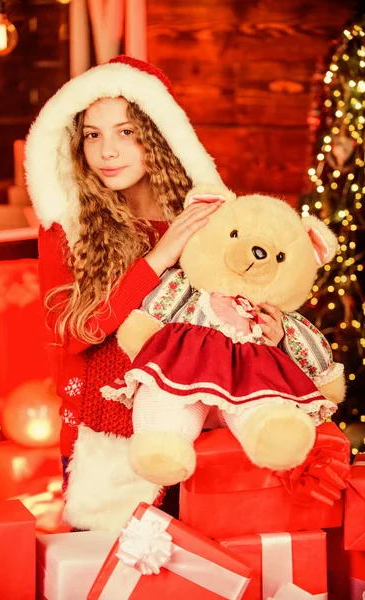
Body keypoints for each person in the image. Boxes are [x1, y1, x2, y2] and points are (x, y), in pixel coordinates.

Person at [25, 55, 297, 532]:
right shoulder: (68, 227)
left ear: (159, 135)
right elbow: (74, 332)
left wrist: (270, 329)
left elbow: (227, 313)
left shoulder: (207, 217)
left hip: (199, 429)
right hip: (106, 446)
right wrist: (157, 259)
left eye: (126, 132)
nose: (107, 150)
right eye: (93, 134)